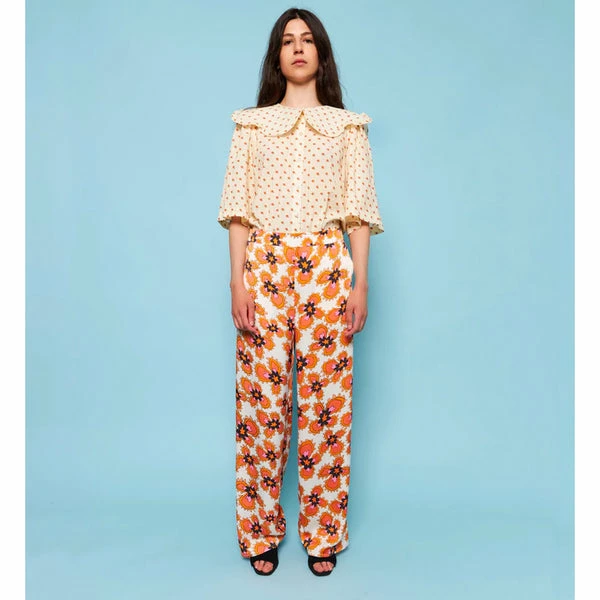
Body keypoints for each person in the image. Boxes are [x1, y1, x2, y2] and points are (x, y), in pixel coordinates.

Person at [217, 7, 384, 577]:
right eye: (287, 41)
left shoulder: (348, 128)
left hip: (327, 271)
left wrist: (361, 284)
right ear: (276, 56)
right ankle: (259, 532)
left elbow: (358, 214)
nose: (297, 48)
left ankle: (323, 534)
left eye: (307, 40)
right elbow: (237, 211)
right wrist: (236, 280)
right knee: (261, 408)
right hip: (263, 270)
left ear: (321, 54)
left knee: (326, 407)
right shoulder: (251, 126)